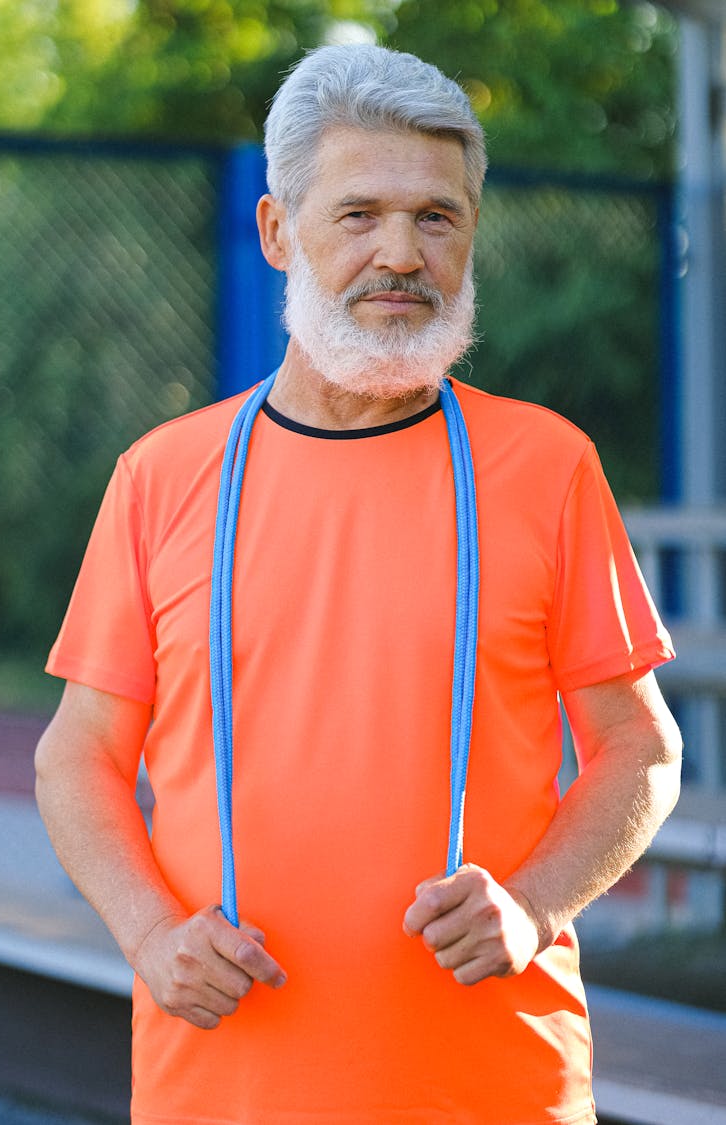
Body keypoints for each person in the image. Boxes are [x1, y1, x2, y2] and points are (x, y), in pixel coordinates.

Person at [35, 43, 682, 1125]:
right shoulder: (161, 477)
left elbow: (642, 748)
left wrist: (529, 907)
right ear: (278, 234)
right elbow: (76, 755)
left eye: (437, 217)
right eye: (359, 214)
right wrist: (151, 935)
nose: (402, 252)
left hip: (495, 1090)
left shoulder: (548, 466)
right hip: (223, 1091)